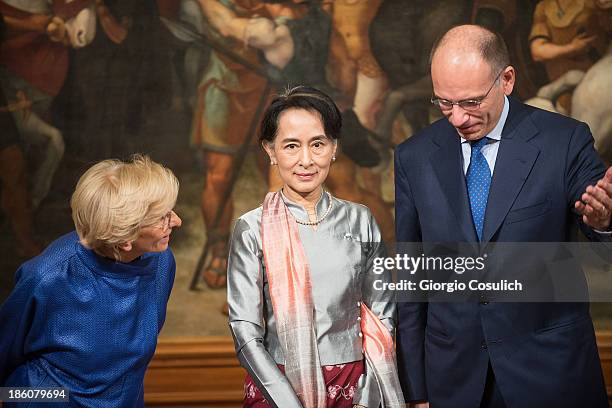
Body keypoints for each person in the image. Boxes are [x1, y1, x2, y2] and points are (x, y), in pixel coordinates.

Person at [394, 25, 611, 408]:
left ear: (506, 79)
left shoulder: (563, 141)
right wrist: (417, 389)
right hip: (454, 379)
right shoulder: (414, 157)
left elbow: (600, 238)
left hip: (549, 374)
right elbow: (413, 279)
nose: (458, 118)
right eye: (444, 103)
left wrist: (603, 222)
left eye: (472, 102)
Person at [227, 85, 404, 407]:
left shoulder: (360, 220)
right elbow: (245, 330)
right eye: (291, 146)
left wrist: (366, 396)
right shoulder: (252, 228)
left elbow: (382, 317)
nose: (306, 160)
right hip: (278, 386)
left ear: (334, 147)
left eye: (318, 144)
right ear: (270, 150)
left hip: (355, 384)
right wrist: (288, 401)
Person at [0, 155, 182, 407]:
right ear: (125, 238)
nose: (176, 221)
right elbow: (4, 357)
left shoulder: (161, 261)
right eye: (162, 217)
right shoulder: (46, 276)